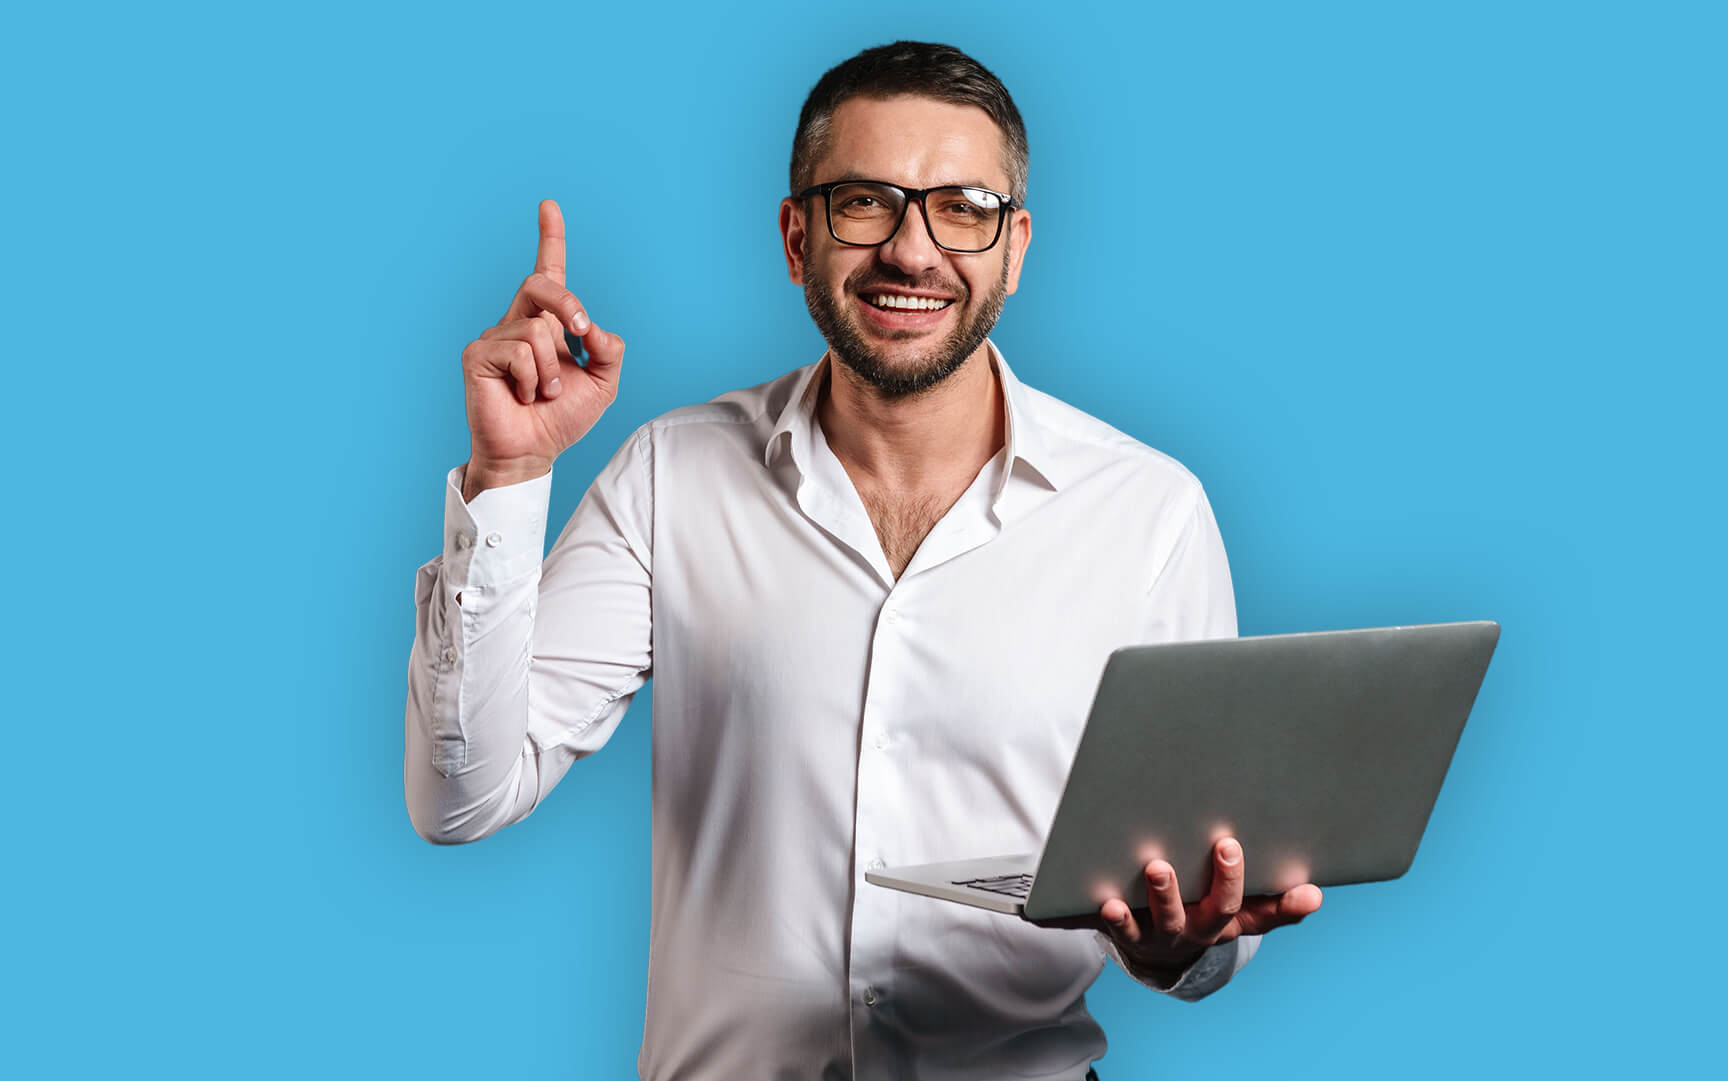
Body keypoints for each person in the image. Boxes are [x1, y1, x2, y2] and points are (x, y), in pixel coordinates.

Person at [404, 40, 1323, 1081]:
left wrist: (1183, 952)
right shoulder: (672, 476)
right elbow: (461, 797)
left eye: (963, 205)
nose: (912, 250)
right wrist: (510, 475)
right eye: (865, 202)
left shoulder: (1148, 513)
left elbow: (1202, 906)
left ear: (1015, 247)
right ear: (797, 237)